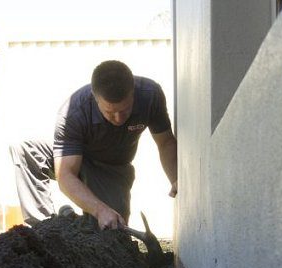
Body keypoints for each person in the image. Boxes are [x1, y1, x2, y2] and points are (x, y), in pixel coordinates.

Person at [10, 60, 178, 230]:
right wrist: (99, 210)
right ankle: (44, 228)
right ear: (95, 98)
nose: (119, 119)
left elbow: (165, 142)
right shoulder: (73, 112)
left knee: (113, 229)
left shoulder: (150, 95)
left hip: (112, 169)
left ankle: (71, 220)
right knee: (25, 150)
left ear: (133, 93)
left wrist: (176, 180)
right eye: (110, 113)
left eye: (125, 110)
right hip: (76, 158)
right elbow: (65, 174)